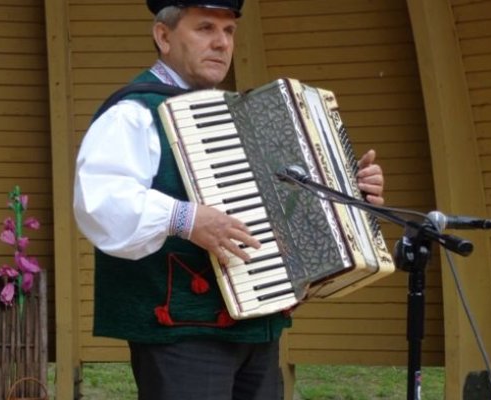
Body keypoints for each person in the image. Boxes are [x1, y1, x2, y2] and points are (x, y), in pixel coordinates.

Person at [73, 1, 385, 399]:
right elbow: (100, 202)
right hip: (181, 332)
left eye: (229, 31)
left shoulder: (243, 113)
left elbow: (283, 203)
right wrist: (186, 219)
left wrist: (348, 192)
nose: (221, 43)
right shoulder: (133, 113)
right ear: (163, 37)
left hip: (258, 322)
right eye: (205, 28)